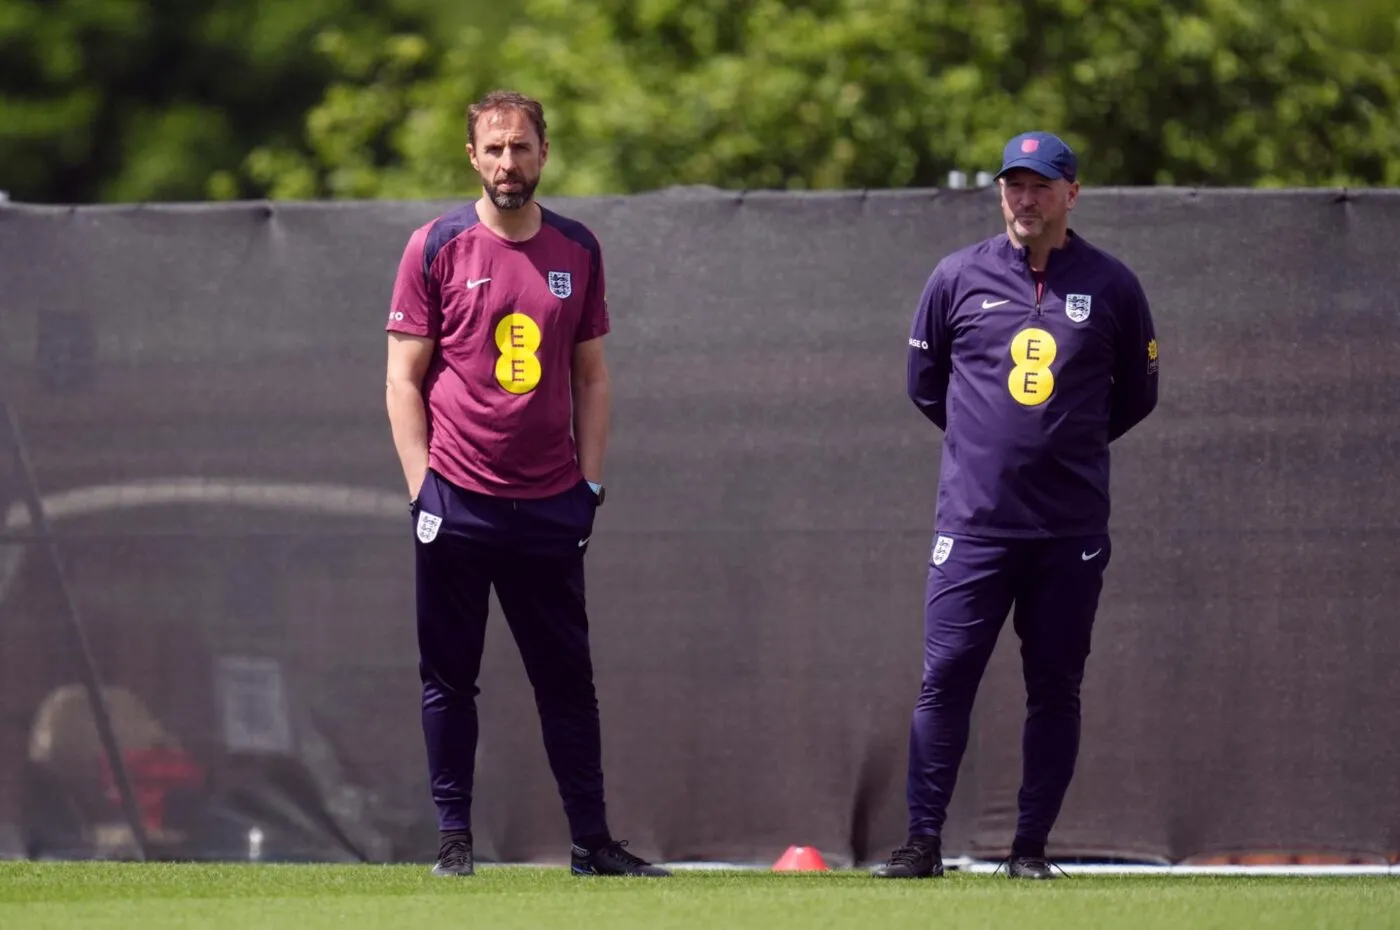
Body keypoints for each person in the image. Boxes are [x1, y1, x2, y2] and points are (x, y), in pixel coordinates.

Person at [384, 89, 669, 878]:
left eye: (522, 147)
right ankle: (453, 842)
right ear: (471, 156)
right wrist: (423, 491)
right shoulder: (435, 245)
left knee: (568, 684)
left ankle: (592, 844)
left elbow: (593, 377)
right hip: (459, 502)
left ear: (545, 152)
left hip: (548, 506)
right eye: (495, 149)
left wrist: (590, 488)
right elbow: (401, 380)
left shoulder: (579, 248)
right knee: (449, 678)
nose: (509, 162)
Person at [874, 131, 1159, 880]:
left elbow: (1137, 394)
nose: (1024, 199)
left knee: (1055, 687)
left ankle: (1030, 850)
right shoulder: (956, 277)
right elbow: (924, 384)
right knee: (946, 678)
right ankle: (922, 844)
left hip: (1068, 531)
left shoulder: (1112, 285)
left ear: (1072, 192)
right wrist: (988, 450)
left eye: (1040, 185)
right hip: (974, 526)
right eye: (1013, 184)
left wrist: (1064, 448)